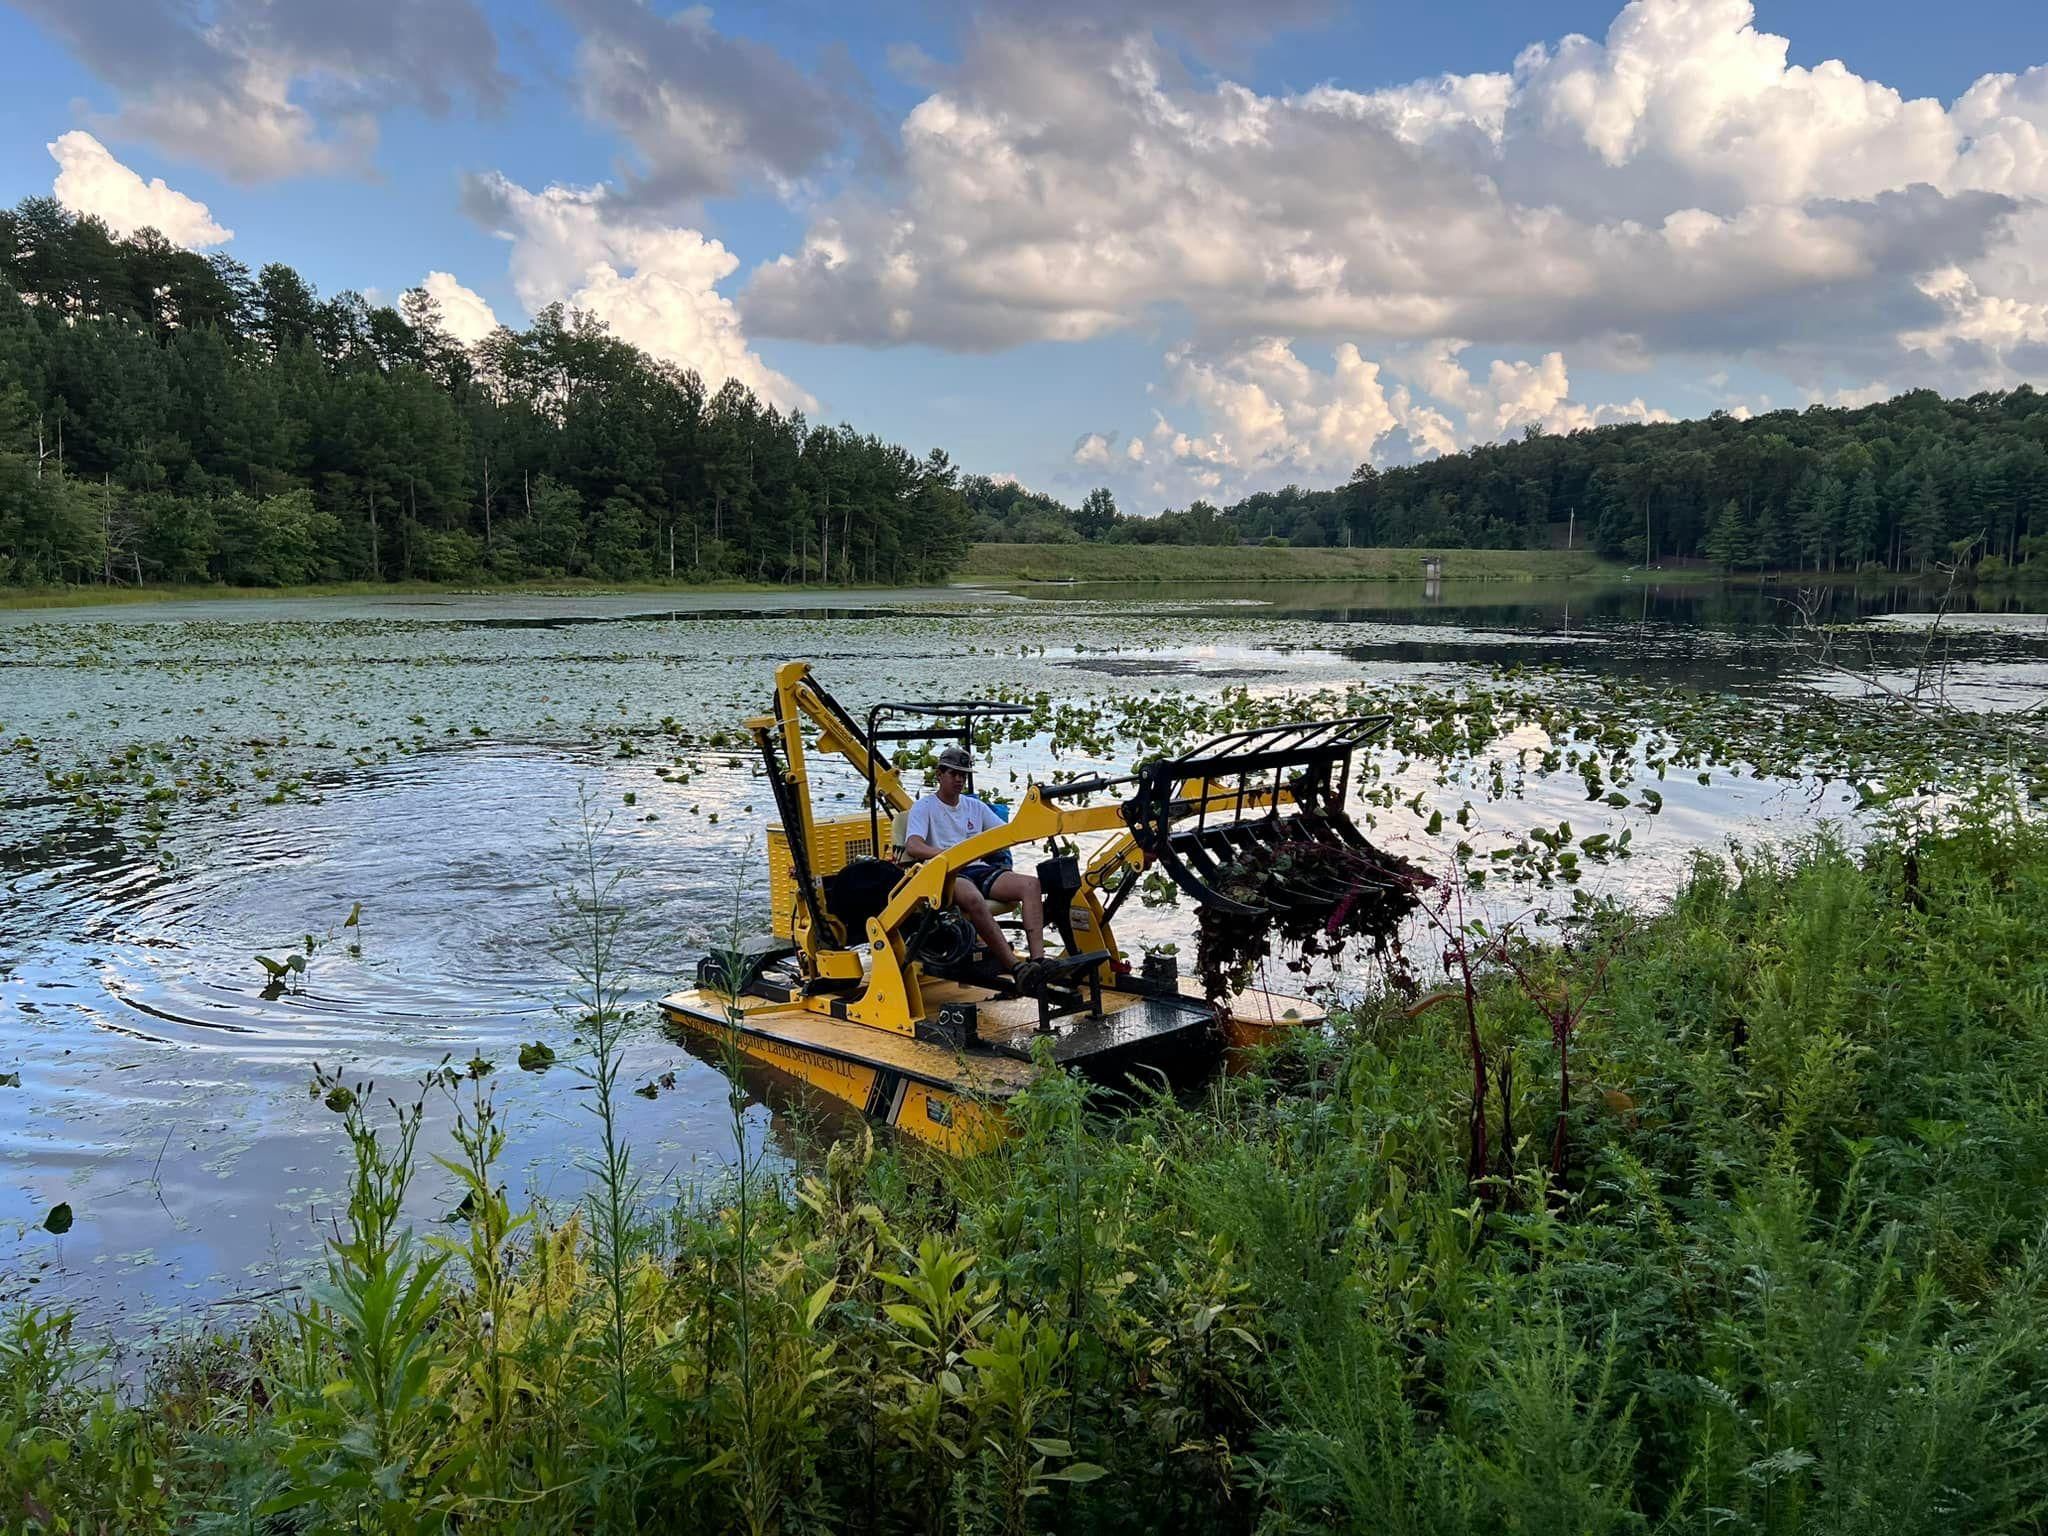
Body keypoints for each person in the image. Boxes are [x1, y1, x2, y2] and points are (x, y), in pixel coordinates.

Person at [903, 745, 1046, 980]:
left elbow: (1006, 834)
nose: (959, 779)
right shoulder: (924, 807)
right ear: (939, 774)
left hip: (977, 868)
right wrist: (947, 855)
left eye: (963, 775)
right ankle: (1014, 967)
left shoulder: (975, 807)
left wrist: (1035, 822)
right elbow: (913, 846)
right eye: (953, 774)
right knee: (972, 898)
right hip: (948, 874)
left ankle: (1039, 961)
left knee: (1030, 885)